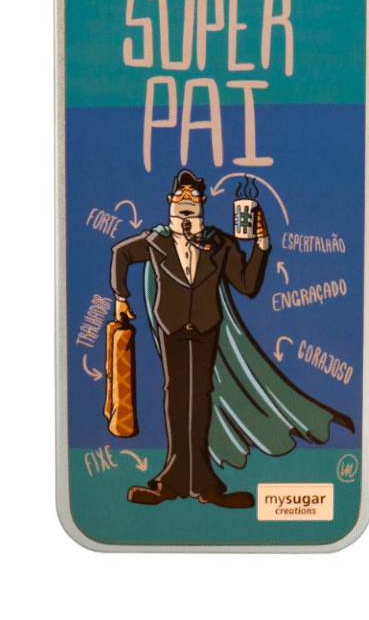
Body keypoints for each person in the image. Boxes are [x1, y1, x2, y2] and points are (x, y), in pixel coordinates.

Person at [110, 169, 270, 508]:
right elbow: (120, 254)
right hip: (171, 327)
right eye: (180, 196)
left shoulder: (220, 243)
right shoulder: (156, 240)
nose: (186, 201)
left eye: (193, 196)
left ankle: (204, 484)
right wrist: (121, 297)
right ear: (170, 201)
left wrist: (261, 245)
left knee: (200, 397)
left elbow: (247, 285)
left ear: (203, 202)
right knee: (176, 396)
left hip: (205, 326)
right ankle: (172, 481)